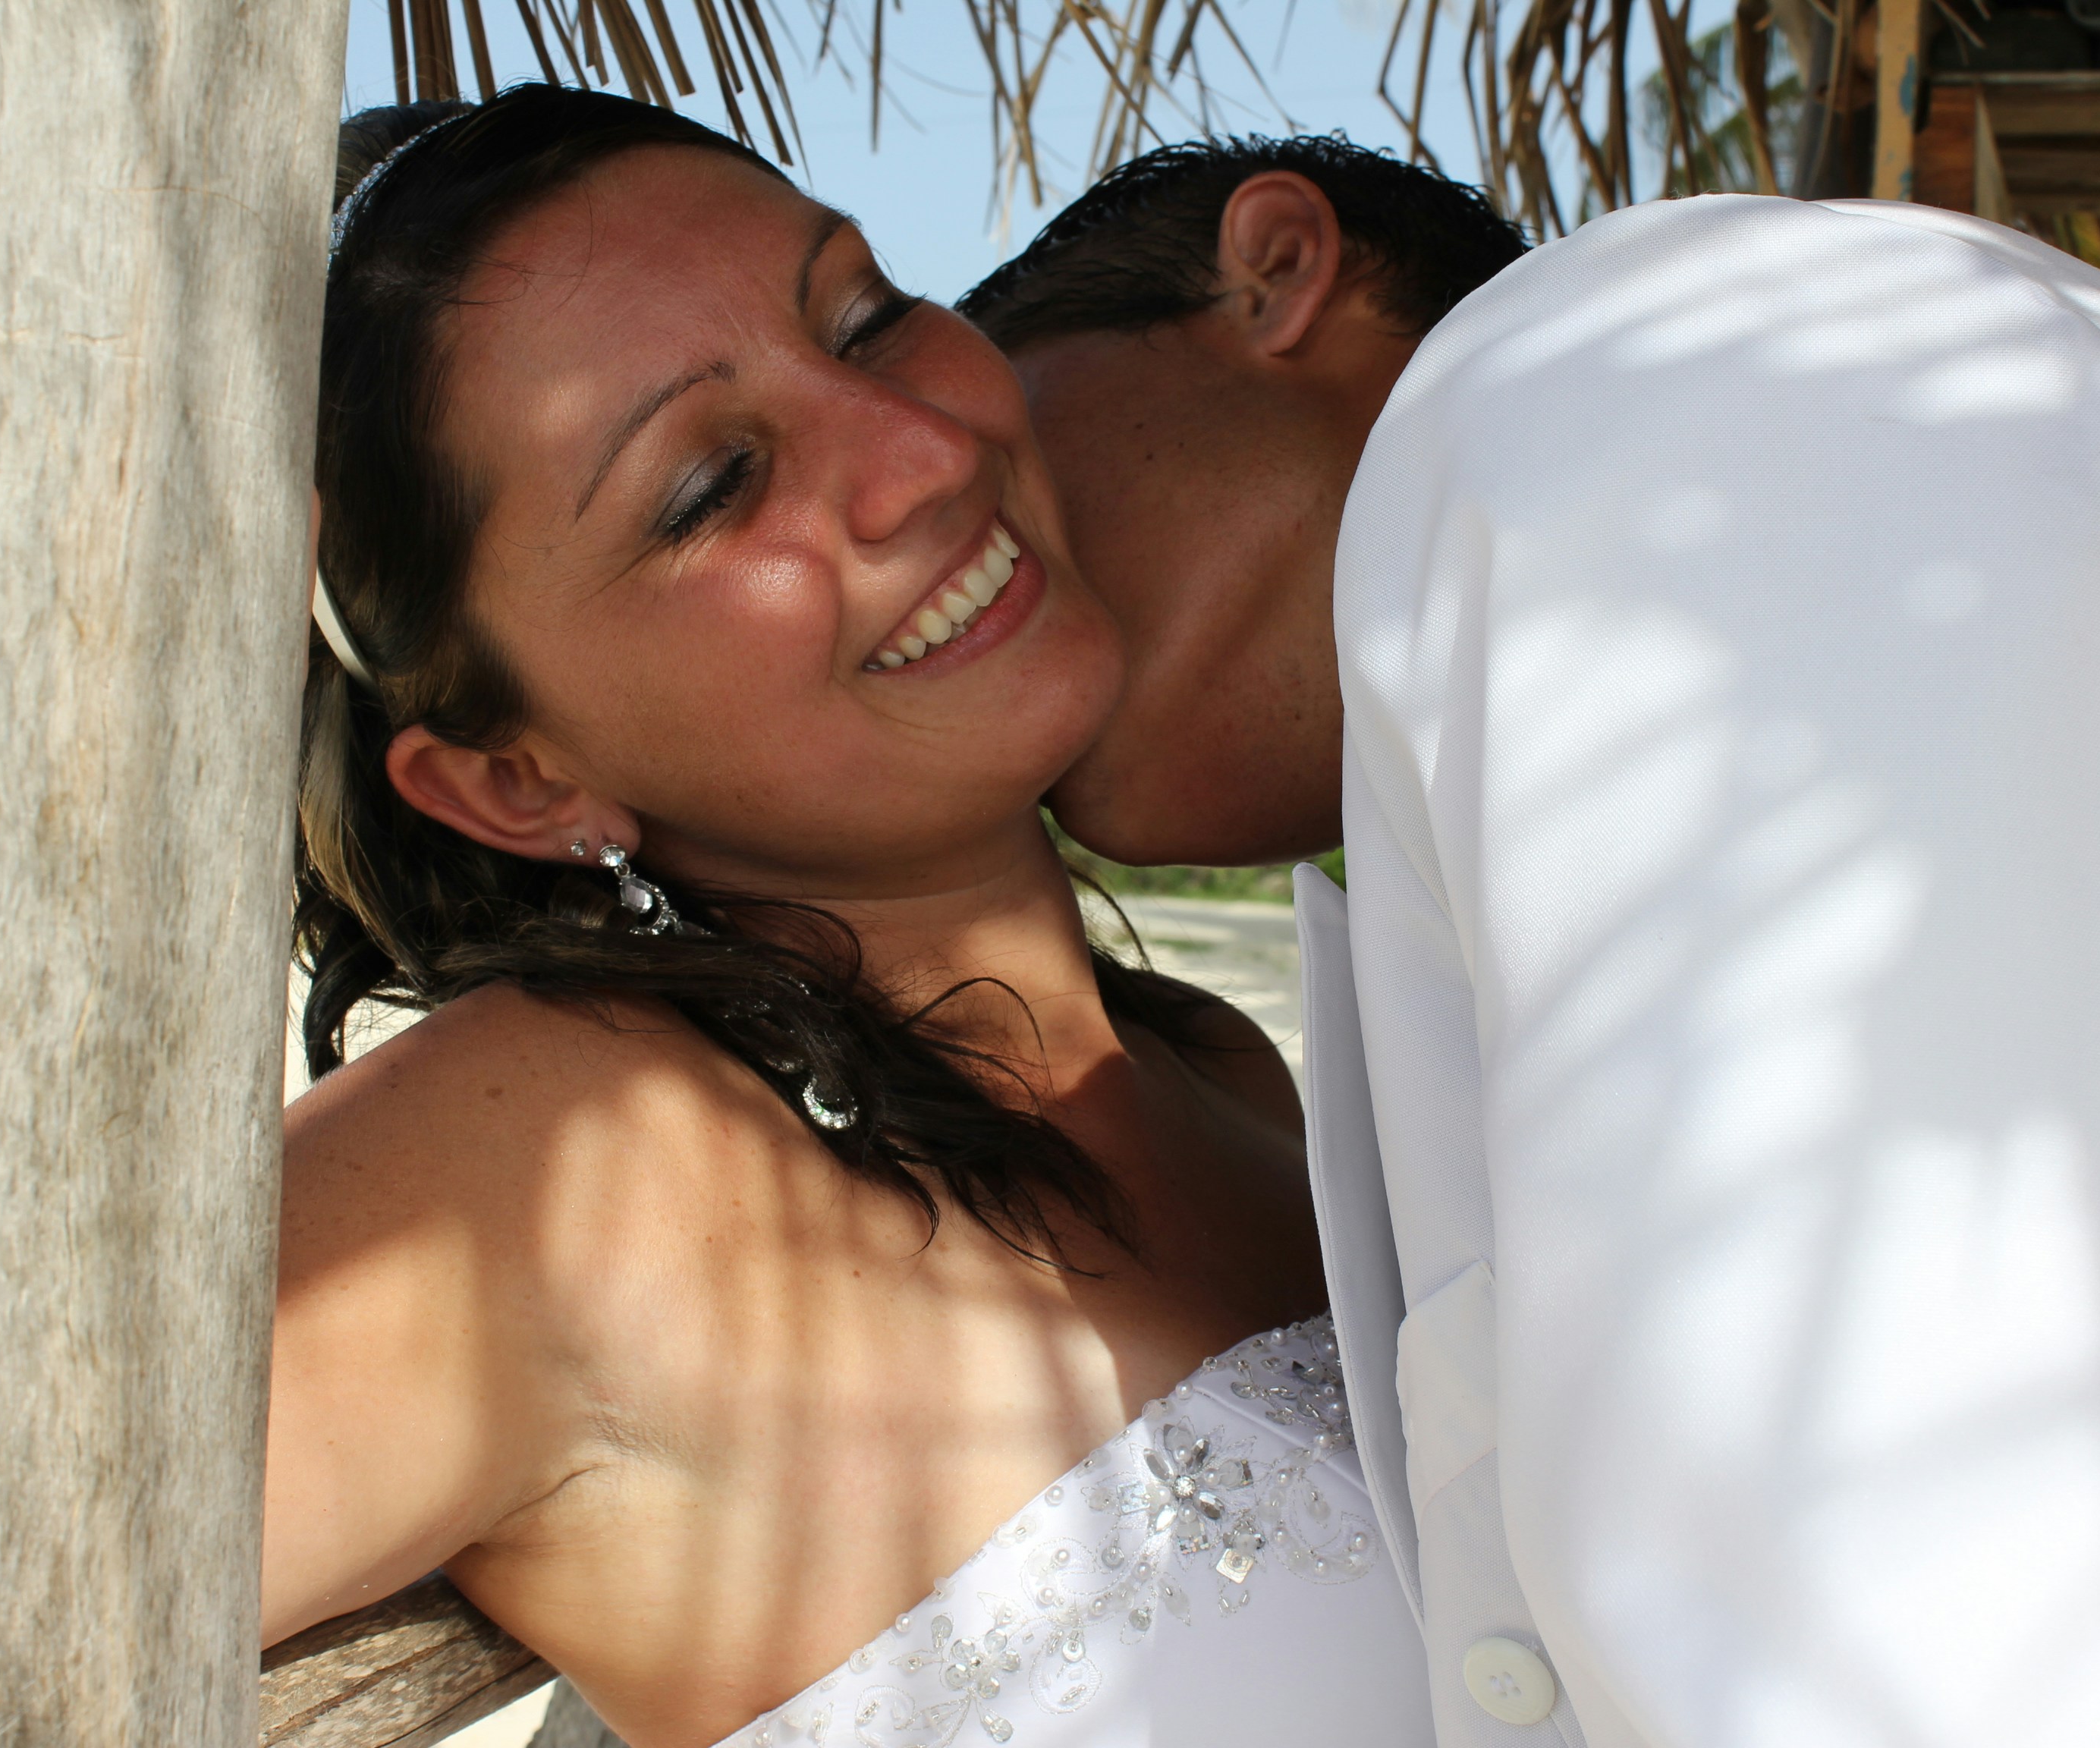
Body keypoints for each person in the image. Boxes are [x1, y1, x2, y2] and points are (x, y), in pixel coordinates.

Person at [965, 143, 2100, 1745]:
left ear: (1274, 269)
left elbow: (1930, 1559)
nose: (971, 562)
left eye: (997, 454)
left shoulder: (1645, 376)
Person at [263, 88, 1439, 1748]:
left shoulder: (1213, 1068)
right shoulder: (545, 1165)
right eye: (712, 485)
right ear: (517, 782)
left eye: (868, 319)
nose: (928, 452)